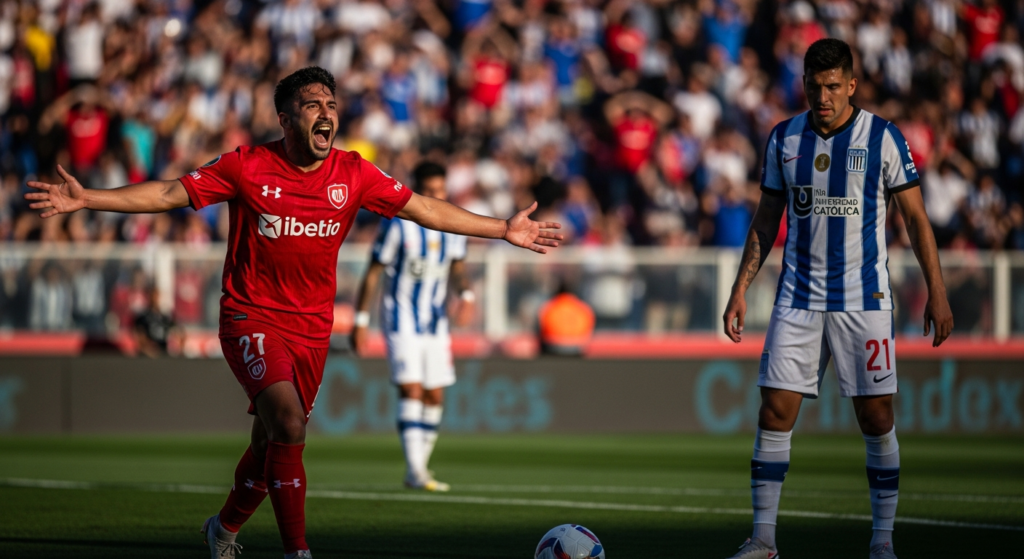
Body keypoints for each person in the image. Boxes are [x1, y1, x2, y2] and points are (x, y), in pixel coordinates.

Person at [25, 66, 562, 559]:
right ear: (285, 120)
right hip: (251, 316)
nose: (325, 113)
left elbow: (423, 208)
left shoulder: (354, 173)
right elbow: (169, 192)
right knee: (288, 423)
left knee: (269, 444)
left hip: (312, 329)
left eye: (331, 104)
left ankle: (223, 530)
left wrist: (501, 229)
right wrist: (89, 199)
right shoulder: (246, 166)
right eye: (311, 105)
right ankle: (297, 551)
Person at [720, 39, 953, 559]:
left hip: (863, 300)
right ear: (803, 83)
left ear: (851, 84)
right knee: (774, 412)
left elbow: (917, 219)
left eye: (831, 86)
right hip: (797, 298)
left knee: (876, 418)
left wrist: (937, 292)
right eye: (813, 85)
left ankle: (882, 542)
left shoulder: (884, 137)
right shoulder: (784, 138)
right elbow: (765, 219)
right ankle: (763, 540)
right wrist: (739, 289)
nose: (821, 96)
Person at [351, 161, 472, 492]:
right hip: (400, 318)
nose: (436, 196)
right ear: (417, 190)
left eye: (440, 190)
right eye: (429, 191)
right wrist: (360, 320)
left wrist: (466, 294)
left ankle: (418, 469)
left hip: (435, 322)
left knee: (434, 394)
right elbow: (374, 271)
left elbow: (458, 267)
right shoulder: (397, 225)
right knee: (412, 389)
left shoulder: (453, 225)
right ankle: (416, 469)